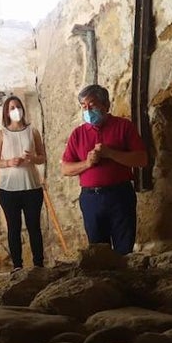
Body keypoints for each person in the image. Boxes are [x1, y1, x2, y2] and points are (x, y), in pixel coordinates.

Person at [60, 84, 148, 255]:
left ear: (105, 106)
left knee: (124, 248)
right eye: (83, 106)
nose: (87, 110)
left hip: (120, 195)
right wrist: (86, 163)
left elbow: (142, 159)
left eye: (91, 105)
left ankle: (125, 280)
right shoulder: (77, 134)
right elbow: (65, 168)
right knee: (99, 252)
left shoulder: (124, 126)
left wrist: (111, 153)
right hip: (91, 198)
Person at [0, 95, 47, 271]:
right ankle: (17, 266)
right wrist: (8, 162)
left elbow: (42, 157)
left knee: (34, 227)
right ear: (7, 113)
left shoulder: (33, 131)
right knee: (13, 228)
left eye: (18, 106)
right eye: (12, 108)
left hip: (31, 187)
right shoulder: (1, 134)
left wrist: (33, 158)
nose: (16, 110)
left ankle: (38, 264)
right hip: (8, 189)